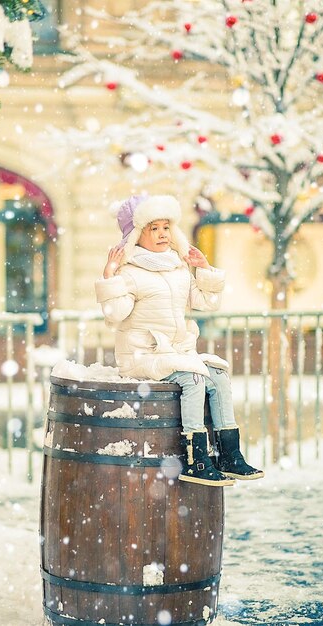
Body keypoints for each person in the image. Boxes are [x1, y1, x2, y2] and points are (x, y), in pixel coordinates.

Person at [95, 194, 264, 487]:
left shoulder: (177, 266)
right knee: (194, 379)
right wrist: (110, 276)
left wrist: (204, 269)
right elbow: (115, 314)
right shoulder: (130, 271)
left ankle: (229, 455)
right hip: (142, 356)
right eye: (153, 228)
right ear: (136, 233)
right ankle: (195, 459)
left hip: (175, 352)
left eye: (166, 227)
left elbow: (206, 302)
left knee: (219, 376)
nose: (162, 234)